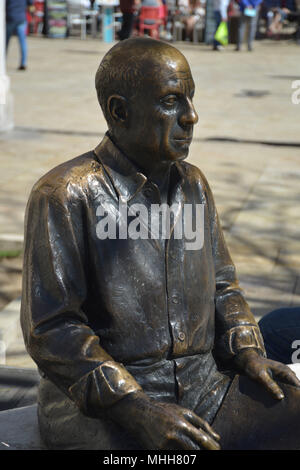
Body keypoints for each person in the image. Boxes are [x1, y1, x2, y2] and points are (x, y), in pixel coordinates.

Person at [21, 38, 300, 451]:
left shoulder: (193, 185)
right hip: (107, 405)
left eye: (190, 99)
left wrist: (248, 351)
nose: (191, 116)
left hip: (204, 386)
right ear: (120, 111)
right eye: (172, 101)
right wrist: (136, 406)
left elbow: (224, 286)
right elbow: (52, 328)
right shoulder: (64, 195)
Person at [6, 0, 33, 71]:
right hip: (21, 18)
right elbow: (31, 4)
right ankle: (23, 63)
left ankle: (2, 62)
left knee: (5, 43)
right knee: (23, 43)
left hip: (10, 18)